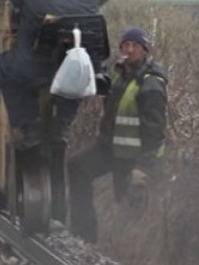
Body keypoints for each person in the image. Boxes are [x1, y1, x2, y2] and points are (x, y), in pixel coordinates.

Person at [0, 0, 108, 150]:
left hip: (36, 64)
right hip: (85, 65)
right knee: (76, 68)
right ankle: (62, 124)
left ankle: (29, 126)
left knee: (2, 67)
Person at [67, 26, 168, 243]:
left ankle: (130, 256)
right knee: (77, 168)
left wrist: (144, 166)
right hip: (110, 149)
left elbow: (155, 129)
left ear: (145, 51)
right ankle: (84, 235)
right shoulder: (122, 77)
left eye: (135, 46)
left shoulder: (150, 85)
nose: (129, 50)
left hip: (133, 157)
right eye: (125, 45)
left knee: (128, 205)